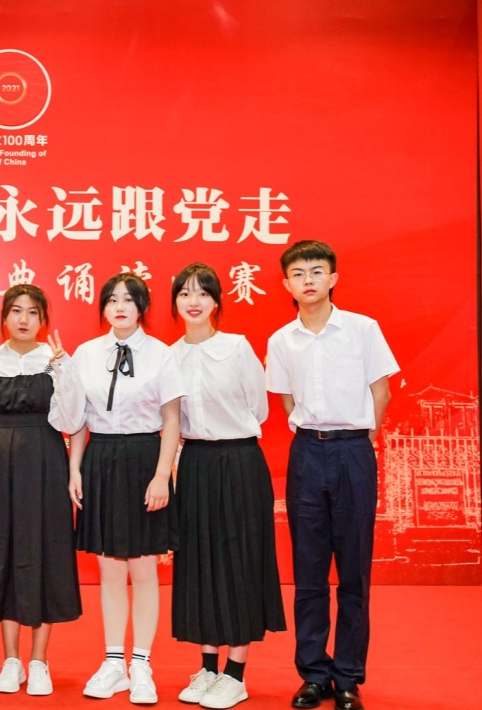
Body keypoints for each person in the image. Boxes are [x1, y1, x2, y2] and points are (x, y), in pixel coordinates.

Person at [266, 241, 397, 710]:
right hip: (307, 453)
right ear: (287, 284)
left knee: (354, 572)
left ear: (333, 278)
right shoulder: (281, 340)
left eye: (317, 271)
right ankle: (313, 674)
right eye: (299, 273)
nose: (308, 280)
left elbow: (381, 391)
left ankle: (347, 678)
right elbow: (287, 401)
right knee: (309, 571)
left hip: (353, 453)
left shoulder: (363, 329)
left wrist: (360, 438)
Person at [168, 263, 287, 709]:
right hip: (194, 463)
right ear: (175, 303)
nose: (193, 301)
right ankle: (207, 668)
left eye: (202, 293)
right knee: (199, 561)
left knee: (239, 561)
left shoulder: (237, 348)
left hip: (238, 462)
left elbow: (258, 410)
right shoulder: (169, 356)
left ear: (217, 301)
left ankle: (235, 674)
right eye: (184, 293)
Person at [63, 272, 184, 705]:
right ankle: (114, 663)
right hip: (100, 459)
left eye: (129, 300)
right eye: (112, 300)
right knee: (110, 570)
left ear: (142, 307)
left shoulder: (162, 354)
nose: (120, 307)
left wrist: (162, 474)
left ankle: (142, 664)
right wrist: (75, 469)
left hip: (144, 460)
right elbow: (78, 420)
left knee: (144, 569)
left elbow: (172, 420)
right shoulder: (86, 353)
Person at [0, 284, 81, 697]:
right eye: (16, 311)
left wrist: (63, 369)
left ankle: (39, 661)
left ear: (43, 319)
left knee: (44, 554)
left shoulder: (55, 361)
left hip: (46, 467)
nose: (24, 319)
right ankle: (11, 660)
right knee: (3, 556)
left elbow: (72, 420)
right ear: (4, 317)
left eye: (32, 312)